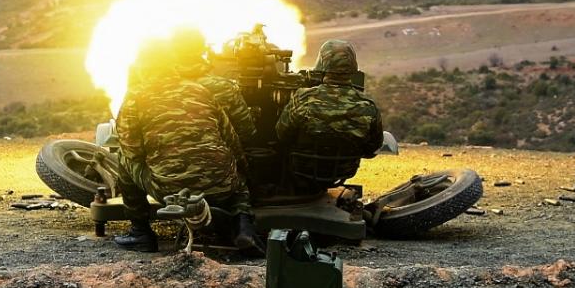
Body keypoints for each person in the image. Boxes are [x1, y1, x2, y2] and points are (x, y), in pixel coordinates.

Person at [113, 40, 262, 254]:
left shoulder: (135, 98)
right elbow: (232, 140)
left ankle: (140, 232)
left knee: (123, 157)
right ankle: (243, 226)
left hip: (171, 192)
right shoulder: (200, 91)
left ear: (142, 67)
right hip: (220, 185)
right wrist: (242, 171)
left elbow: (131, 150)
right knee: (237, 181)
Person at [275, 39, 383, 191]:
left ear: (322, 64)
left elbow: (282, 134)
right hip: (343, 171)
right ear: (353, 67)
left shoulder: (303, 98)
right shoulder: (368, 106)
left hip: (302, 168)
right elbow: (372, 149)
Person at [170, 28, 256, 163]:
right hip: (216, 167)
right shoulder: (224, 87)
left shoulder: (154, 90)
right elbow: (247, 132)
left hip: (165, 169)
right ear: (202, 50)